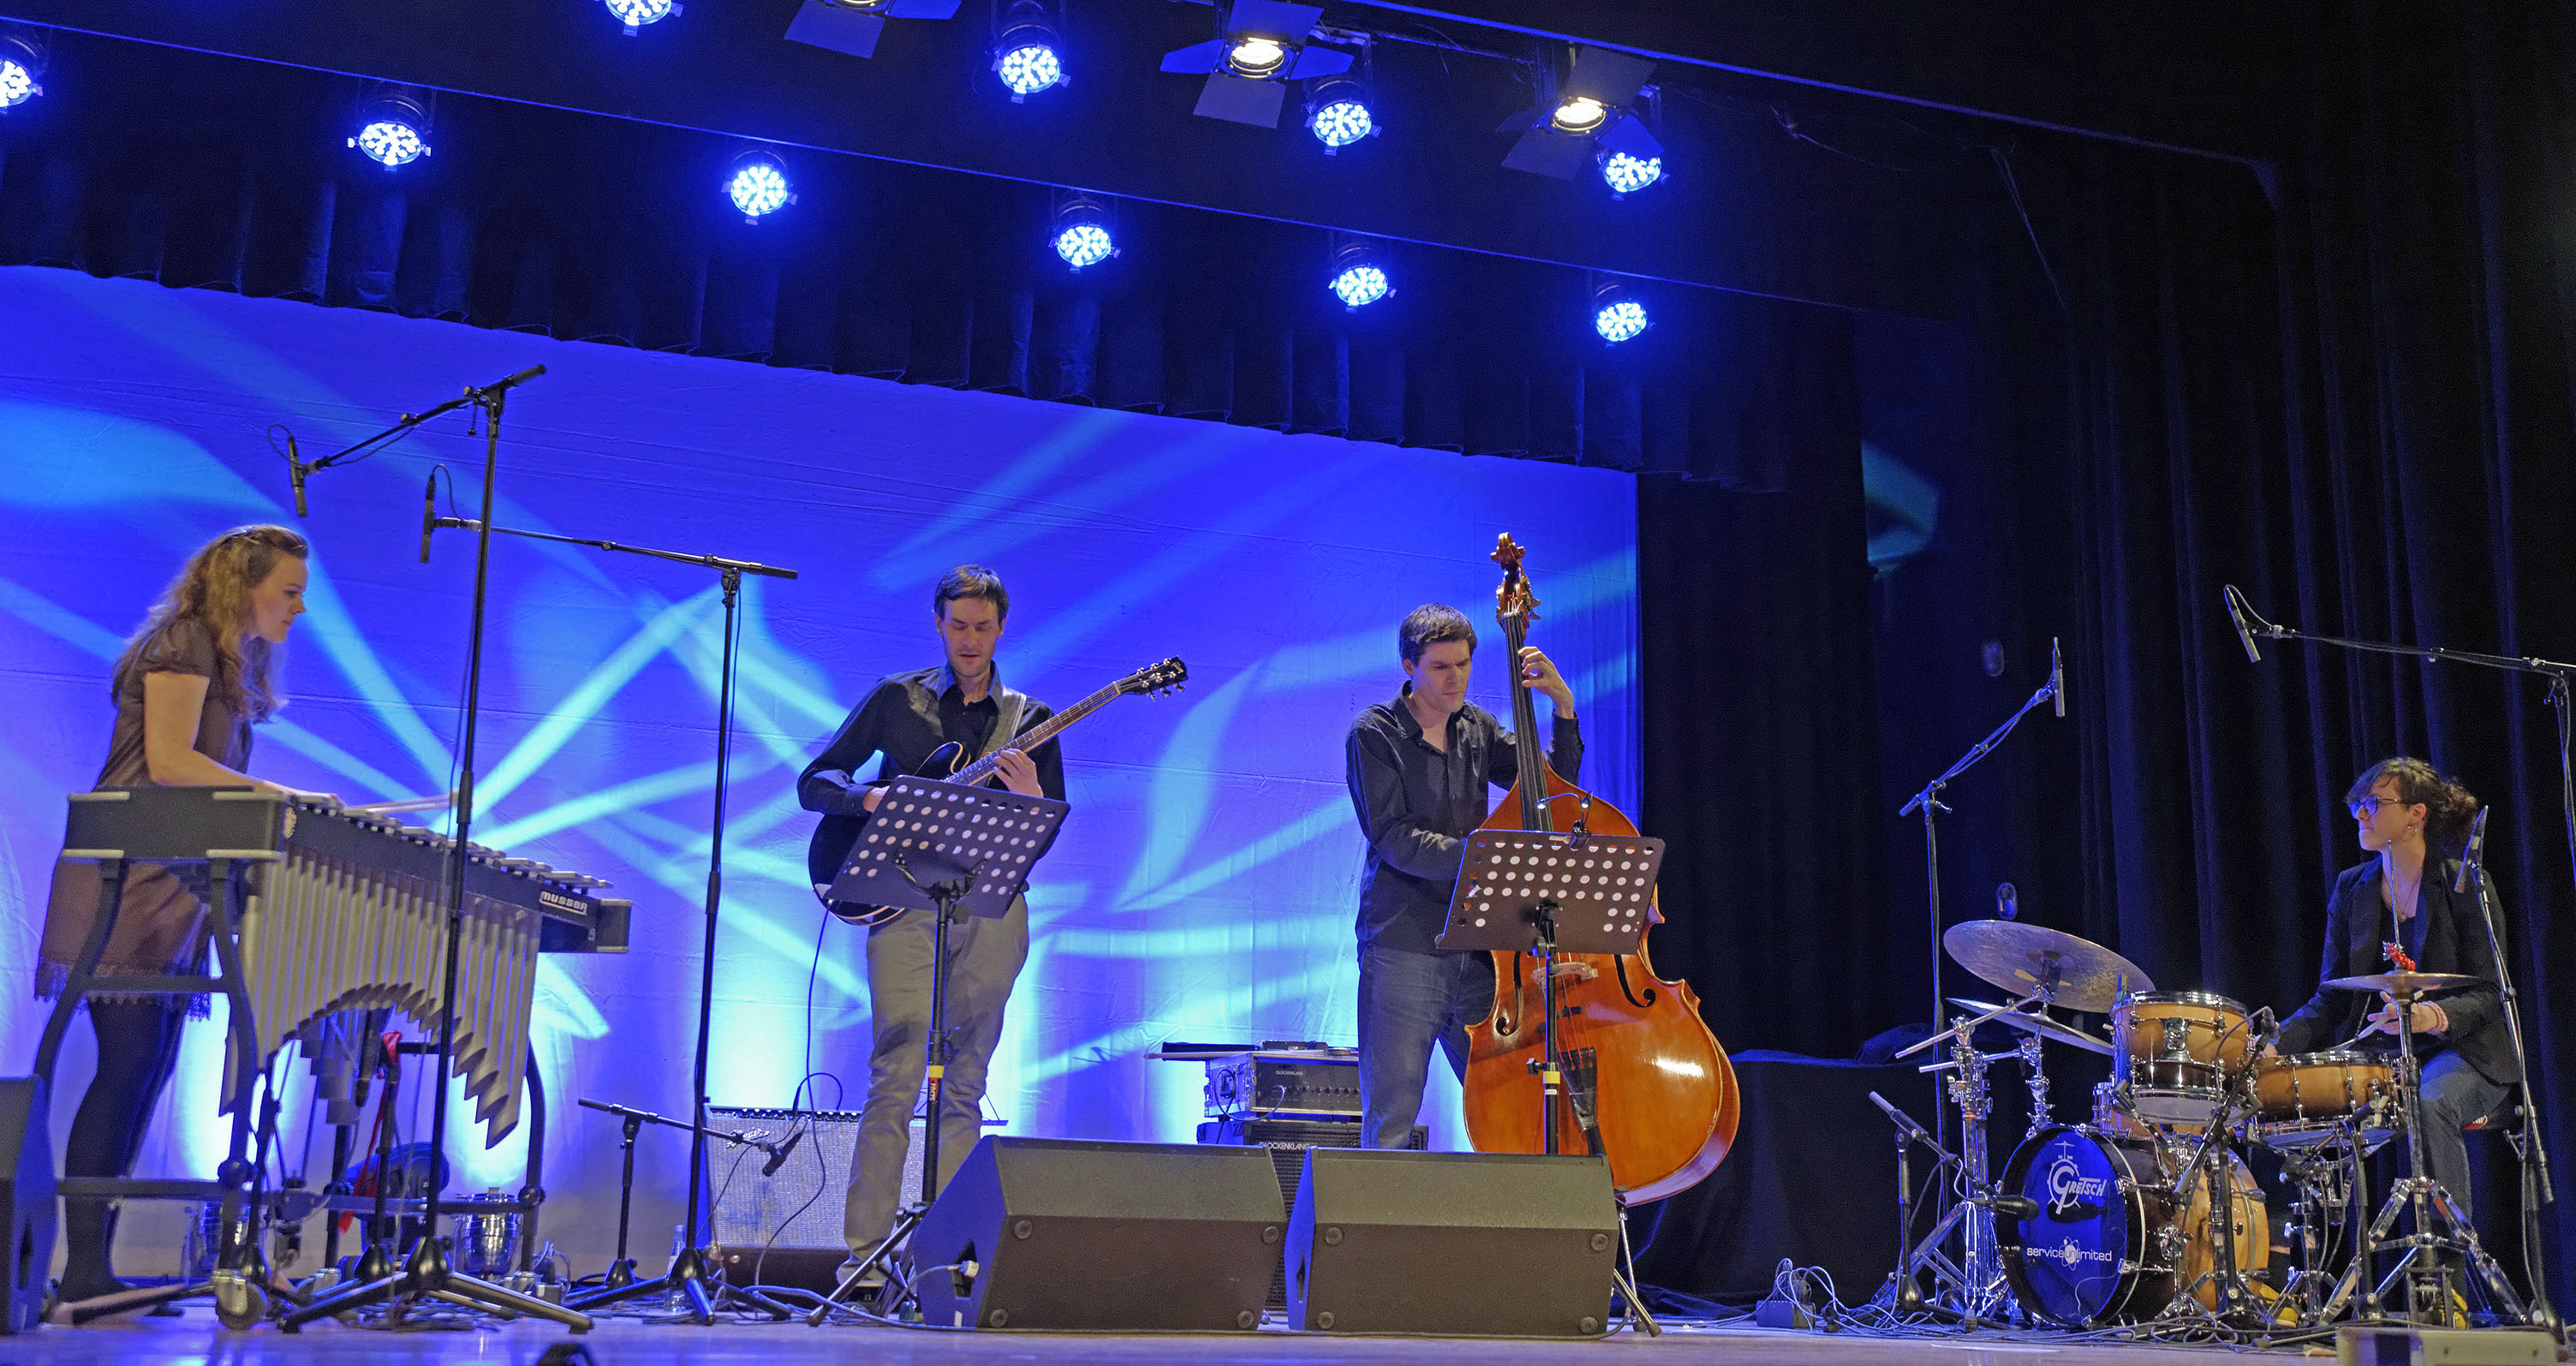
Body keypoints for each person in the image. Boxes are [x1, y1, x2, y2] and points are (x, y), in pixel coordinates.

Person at [35, 525, 311, 1306]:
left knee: (147, 1066)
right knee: (125, 1064)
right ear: (242, 585)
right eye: (287, 590)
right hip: (127, 871)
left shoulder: (231, 660)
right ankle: (82, 1264)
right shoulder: (184, 640)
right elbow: (170, 762)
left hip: (174, 877)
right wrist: (284, 799)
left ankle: (96, 1261)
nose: (298, 608)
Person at [796, 564, 1063, 1280]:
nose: (970, 639)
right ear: (939, 624)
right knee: (899, 1070)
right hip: (904, 902)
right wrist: (870, 797)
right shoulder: (897, 699)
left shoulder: (1031, 720)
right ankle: (866, 1263)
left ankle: (946, 1264)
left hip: (991, 907)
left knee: (967, 1079)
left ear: (1001, 627)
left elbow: (1044, 835)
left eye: (983, 626)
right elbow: (813, 783)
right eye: (958, 625)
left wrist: (1034, 795)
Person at [1343, 603, 1578, 1152]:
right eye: (1442, 667)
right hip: (1404, 944)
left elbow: (1551, 794)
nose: (1457, 679)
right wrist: (1486, 859)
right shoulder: (1375, 734)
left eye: (1465, 665)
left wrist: (1563, 707)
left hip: (1477, 952)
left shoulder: (1478, 728)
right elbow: (1395, 839)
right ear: (1409, 666)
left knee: (1506, 1108)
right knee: (1393, 1118)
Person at [2270, 757, 2512, 1217]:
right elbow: (2331, 996)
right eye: (2357, 805)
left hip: (2468, 1050)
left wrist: (2431, 1016)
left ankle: (2452, 1264)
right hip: (2389, 1054)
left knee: (2429, 1101)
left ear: (2416, 815)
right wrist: (2274, 1043)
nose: (2360, 814)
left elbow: (2490, 992)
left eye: (2374, 803)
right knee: (2305, 1097)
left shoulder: (2465, 884)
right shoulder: (2351, 889)